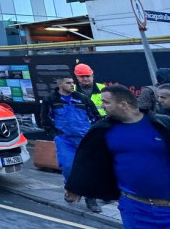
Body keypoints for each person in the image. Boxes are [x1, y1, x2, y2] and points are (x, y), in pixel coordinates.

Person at [66, 84, 170, 229]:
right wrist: (75, 186)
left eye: (106, 102)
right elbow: (87, 159)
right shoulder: (103, 130)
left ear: (123, 105)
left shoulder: (162, 123)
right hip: (134, 208)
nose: (102, 106)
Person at [41, 74, 101, 213]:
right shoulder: (50, 100)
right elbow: (45, 120)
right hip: (65, 140)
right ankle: (70, 188)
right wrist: (55, 135)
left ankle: (90, 199)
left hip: (84, 139)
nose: (72, 85)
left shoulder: (82, 98)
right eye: (68, 83)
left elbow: (96, 116)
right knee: (68, 166)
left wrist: (92, 133)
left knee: (88, 169)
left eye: (72, 82)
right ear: (59, 84)